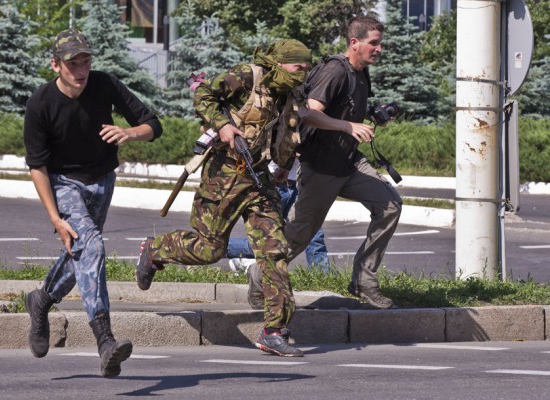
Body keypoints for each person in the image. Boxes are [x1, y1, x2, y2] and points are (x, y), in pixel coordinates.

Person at [135, 39, 312, 357]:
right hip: (224, 177)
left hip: (260, 181)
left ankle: (274, 331)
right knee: (208, 250)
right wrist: (225, 127)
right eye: (298, 67)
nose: (303, 74)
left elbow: (292, 130)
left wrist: (283, 165)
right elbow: (204, 95)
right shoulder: (247, 76)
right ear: (280, 64)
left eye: (306, 68)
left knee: (275, 252)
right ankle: (155, 250)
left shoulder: (293, 93)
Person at [23, 28, 162, 377]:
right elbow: (37, 166)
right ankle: (105, 340)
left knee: (83, 252)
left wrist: (130, 133)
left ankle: (41, 300)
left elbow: (153, 125)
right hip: (63, 182)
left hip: (102, 180)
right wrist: (55, 218)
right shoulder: (41, 103)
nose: (82, 69)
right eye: (73, 63)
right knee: (92, 245)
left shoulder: (105, 84)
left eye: (86, 61)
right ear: (56, 65)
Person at [249, 16, 402, 310]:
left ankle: (363, 281)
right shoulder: (335, 70)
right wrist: (347, 126)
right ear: (354, 43)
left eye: (380, 43)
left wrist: (373, 114)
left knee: (390, 205)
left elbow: (346, 109)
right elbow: (308, 113)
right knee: (299, 235)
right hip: (320, 167)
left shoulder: (360, 74)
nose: (379, 48)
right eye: (374, 42)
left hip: (349, 162)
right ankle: (259, 276)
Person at [227, 159, 330, 273]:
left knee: (313, 233)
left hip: (300, 183)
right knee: (268, 241)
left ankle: (323, 275)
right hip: (275, 184)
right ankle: (217, 248)